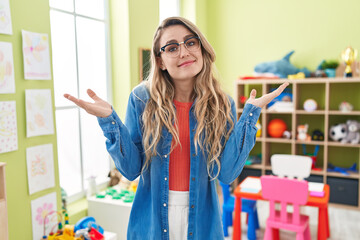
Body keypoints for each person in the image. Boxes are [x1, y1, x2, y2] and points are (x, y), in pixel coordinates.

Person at [64, 17, 288, 240]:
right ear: (160, 60)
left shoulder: (222, 104)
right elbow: (131, 170)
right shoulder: (142, 99)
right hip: (151, 219)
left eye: (191, 42)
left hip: (202, 218)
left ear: (202, 48)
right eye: (172, 47)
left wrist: (249, 116)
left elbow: (227, 173)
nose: (184, 52)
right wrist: (110, 121)